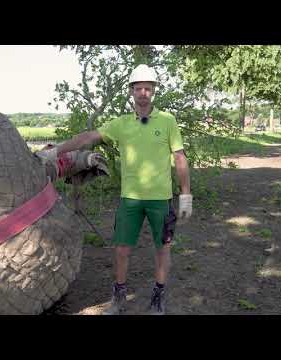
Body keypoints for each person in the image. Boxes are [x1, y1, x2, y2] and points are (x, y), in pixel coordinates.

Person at [36, 64, 192, 315]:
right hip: (129, 200)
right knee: (121, 250)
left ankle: (158, 298)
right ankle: (118, 299)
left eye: (148, 88)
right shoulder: (121, 124)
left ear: (153, 92)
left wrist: (186, 194)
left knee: (162, 249)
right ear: (131, 91)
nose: (143, 92)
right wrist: (56, 151)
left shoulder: (167, 121)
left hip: (160, 200)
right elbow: (88, 137)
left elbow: (180, 158)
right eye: (139, 88)